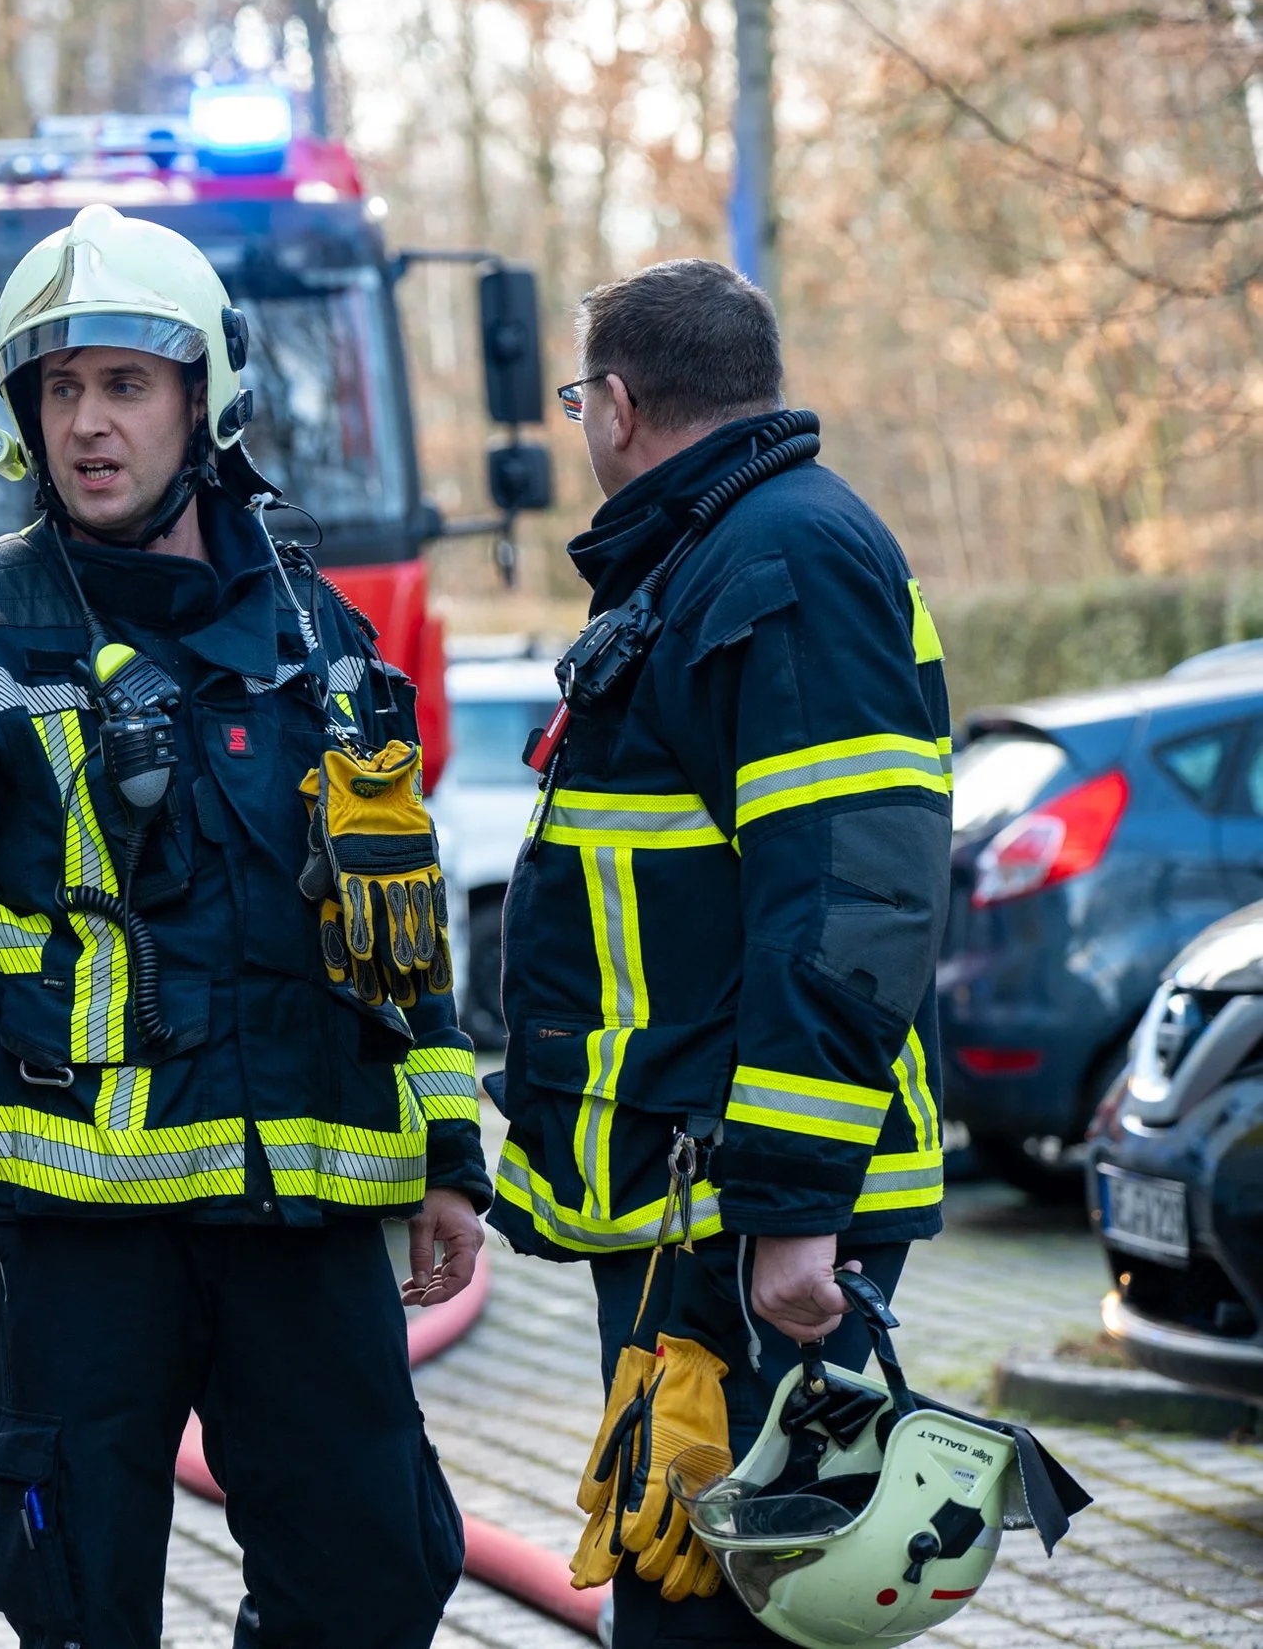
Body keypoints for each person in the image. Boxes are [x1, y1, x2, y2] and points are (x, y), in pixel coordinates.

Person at [0, 203, 485, 1649]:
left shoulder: (323, 638)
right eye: (59, 388)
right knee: (76, 1604)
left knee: (377, 1575)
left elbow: (403, 927)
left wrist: (449, 1154)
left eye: (124, 383)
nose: (88, 423)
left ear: (206, 398)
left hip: (300, 1215)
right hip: (75, 1228)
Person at [492, 260, 953, 1646]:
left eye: (581, 399)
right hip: (697, 1198)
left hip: (750, 1210)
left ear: (618, 403)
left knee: (738, 1618)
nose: (584, 425)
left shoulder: (781, 562)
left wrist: (797, 1206)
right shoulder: (719, 554)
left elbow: (852, 900)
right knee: (689, 1597)